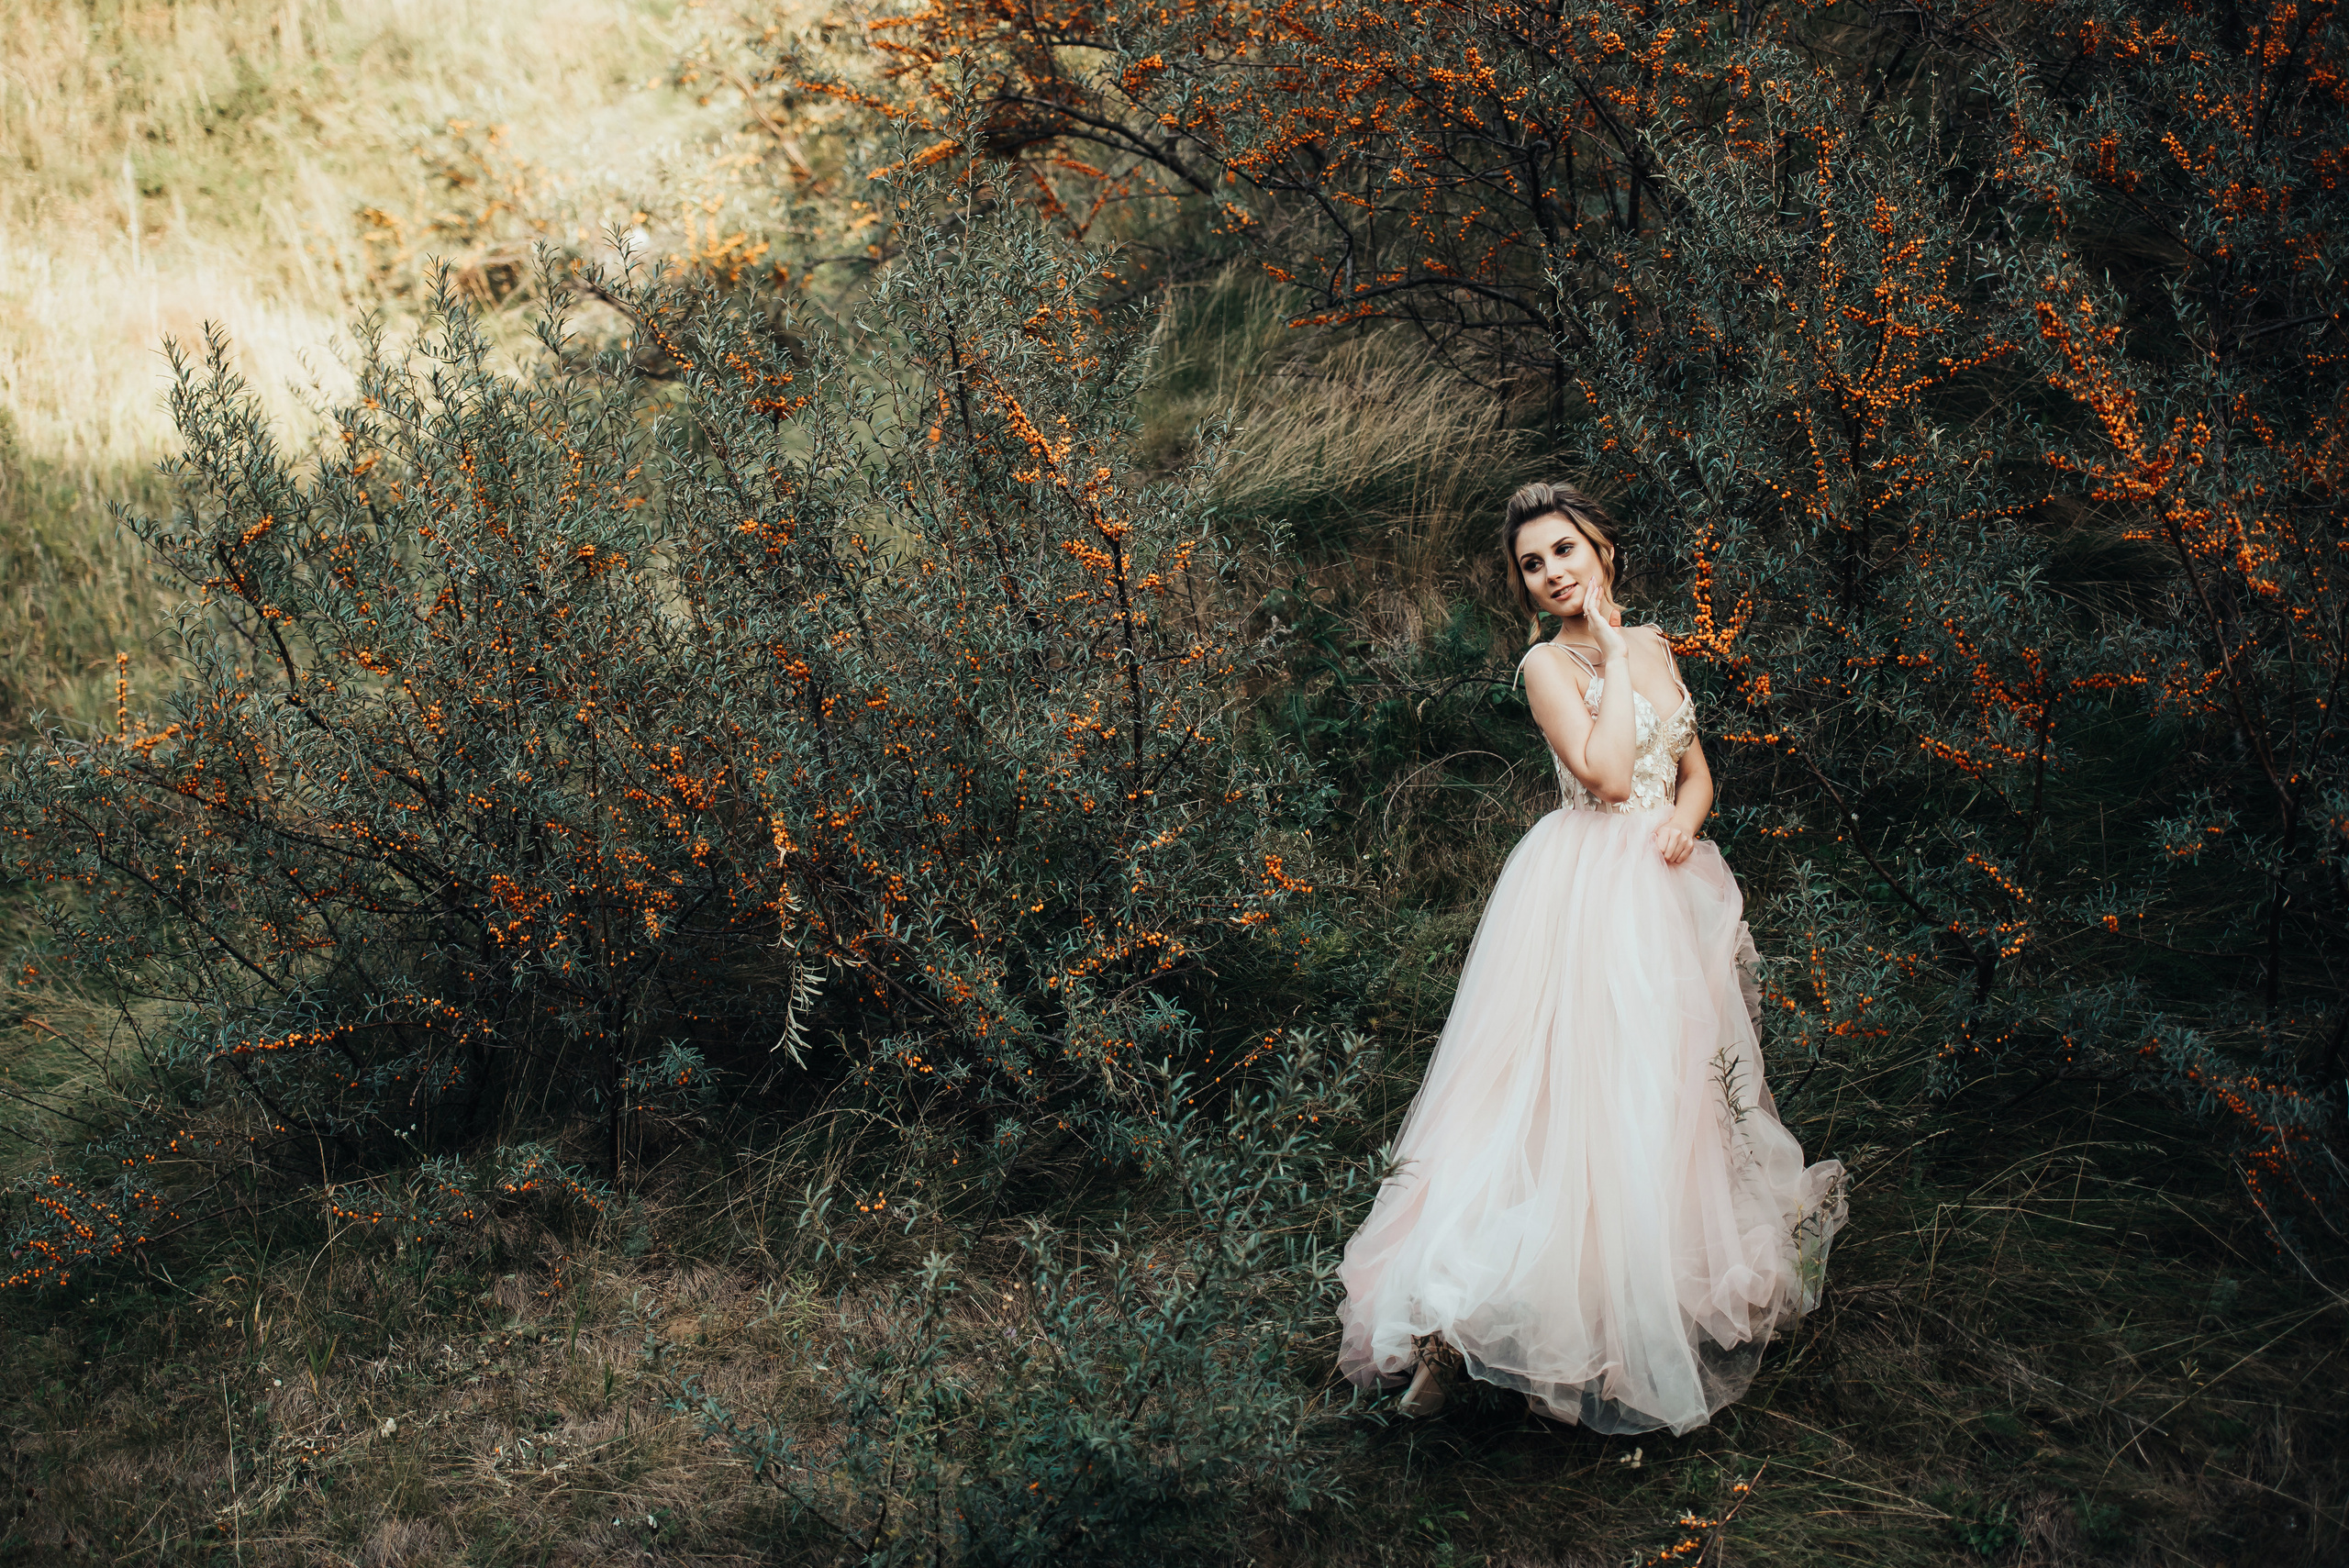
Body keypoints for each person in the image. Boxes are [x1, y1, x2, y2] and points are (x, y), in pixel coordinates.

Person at [1335, 481, 1846, 1434]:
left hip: (1664, 885)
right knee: (1558, 1095)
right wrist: (1605, 652)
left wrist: (1684, 830)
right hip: (1581, 890)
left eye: (1563, 550)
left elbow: (1692, 773)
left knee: (1664, 1092)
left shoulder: (1655, 644)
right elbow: (1608, 774)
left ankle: (1624, 1306)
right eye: (1532, 563)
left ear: (1599, 548)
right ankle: (1462, 1320)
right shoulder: (1547, 664)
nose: (1551, 572)